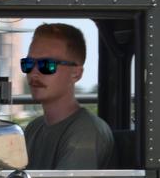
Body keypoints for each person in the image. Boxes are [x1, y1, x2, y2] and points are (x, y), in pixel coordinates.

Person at [21, 23, 114, 169]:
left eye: (47, 65)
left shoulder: (86, 131)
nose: (34, 72)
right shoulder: (34, 128)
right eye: (28, 64)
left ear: (76, 73)